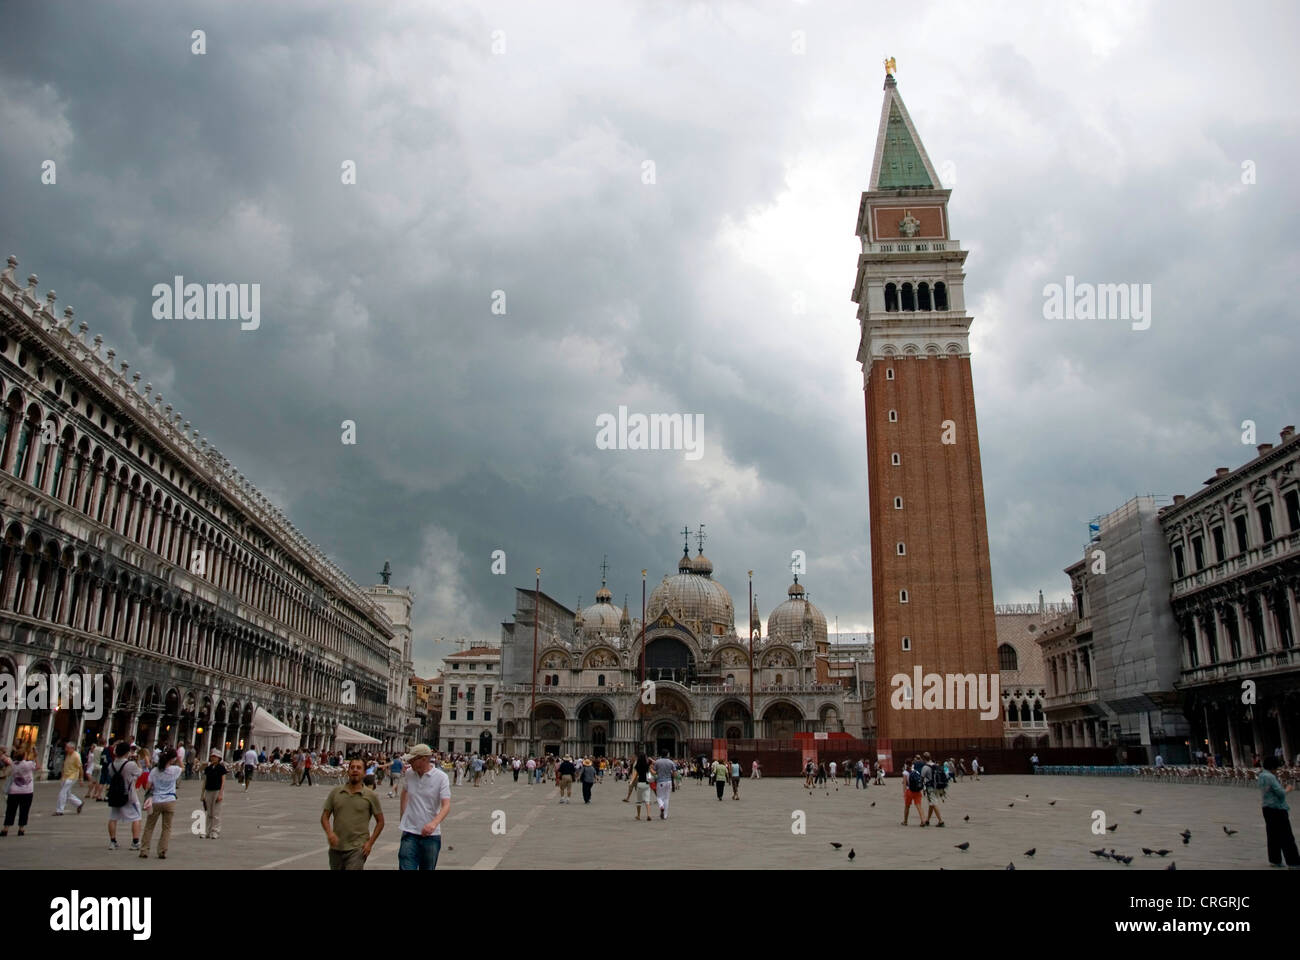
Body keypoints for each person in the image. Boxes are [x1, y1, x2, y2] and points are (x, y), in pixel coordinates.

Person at [322, 759, 385, 870]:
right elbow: (325, 817)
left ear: (365, 773)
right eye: (352, 767)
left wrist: (370, 843)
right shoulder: (336, 792)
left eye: (359, 768)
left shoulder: (370, 796)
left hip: (357, 848)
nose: (355, 770)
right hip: (336, 847)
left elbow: (380, 821)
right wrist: (329, 833)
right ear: (348, 771)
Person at [398, 745, 450, 870]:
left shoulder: (441, 777)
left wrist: (434, 823)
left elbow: (446, 805)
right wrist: (403, 816)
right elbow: (404, 792)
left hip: (431, 836)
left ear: (424, 759)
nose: (409, 762)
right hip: (410, 832)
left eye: (412, 760)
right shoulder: (409, 773)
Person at [140, 747, 182, 859]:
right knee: (167, 828)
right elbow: (182, 766)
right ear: (172, 759)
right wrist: (178, 759)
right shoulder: (175, 769)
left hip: (156, 800)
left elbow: (148, 786)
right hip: (170, 800)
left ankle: (144, 850)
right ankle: (162, 850)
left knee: (149, 826)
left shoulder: (155, 770)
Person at [1259, 755, 1300, 869]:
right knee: (1286, 836)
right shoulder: (1271, 777)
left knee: (1272, 835)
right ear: (1273, 766)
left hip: (1266, 808)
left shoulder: (1262, 775)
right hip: (1277, 809)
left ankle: (1274, 860)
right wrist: (1288, 789)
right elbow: (1280, 793)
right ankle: (1293, 862)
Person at [106, 741, 143, 851]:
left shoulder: (111, 765)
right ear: (127, 752)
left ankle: (113, 841)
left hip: (115, 794)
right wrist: (137, 761)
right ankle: (135, 841)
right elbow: (139, 772)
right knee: (136, 817)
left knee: (113, 817)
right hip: (129, 795)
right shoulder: (130, 765)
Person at [1, 747, 36, 836]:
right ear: (24, 756)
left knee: (10, 810)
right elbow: (37, 766)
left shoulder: (14, 764)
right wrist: (35, 755)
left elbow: (7, 761)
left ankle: (5, 829)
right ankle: (21, 829)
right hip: (27, 791)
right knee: (24, 810)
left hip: (14, 791)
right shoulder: (28, 764)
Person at [53, 740, 84, 816]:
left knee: (62, 792)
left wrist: (81, 778)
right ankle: (79, 803)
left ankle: (60, 810)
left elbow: (80, 768)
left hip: (72, 776)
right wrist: (62, 774)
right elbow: (65, 765)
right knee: (67, 793)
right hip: (66, 776)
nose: (66, 749)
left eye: (67, 748)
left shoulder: (76, 756)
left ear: (72, 748)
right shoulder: (68, 755)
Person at [200, 748, 226, 839]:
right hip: (208, 790)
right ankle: (207, 830)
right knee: (209, 812)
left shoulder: (221, 768)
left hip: (217, 790)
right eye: (212, 756)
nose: (213, 758)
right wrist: (202, 794)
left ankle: (215, 831)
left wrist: (221, 794)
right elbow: (205, 781)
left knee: (216, 813)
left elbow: (223, 782)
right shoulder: (208, 768)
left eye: (215, 756)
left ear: (219, 758)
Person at [901, 755, 924, 826]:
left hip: (909, 791)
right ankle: (923, 820)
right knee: (919, 806)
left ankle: (905, 821)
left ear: (906, 764)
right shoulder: (916, 771)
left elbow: (904, 784)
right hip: (917, 790)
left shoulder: (905, 772)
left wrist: (904, 792)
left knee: (907, 806)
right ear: (912, 763)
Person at [653, 750, 676, 820]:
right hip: (669, 781)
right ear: (667, 754)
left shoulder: (657, 762)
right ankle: (665, 815)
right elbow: (674, 774)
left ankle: (661, 806)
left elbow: (655, 772)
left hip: (660, 781)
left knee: (659, 797)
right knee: (666, 798)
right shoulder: (671, 762)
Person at [631, 751, 653, 822]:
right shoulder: (647, 765)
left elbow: (635, 775)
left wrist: (631, 782)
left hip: (640, 784)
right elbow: (653, 772)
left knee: (638, 801)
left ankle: (638, 815)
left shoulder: (638, 766)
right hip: (647, 784)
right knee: (647, 800)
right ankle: (648, 815)